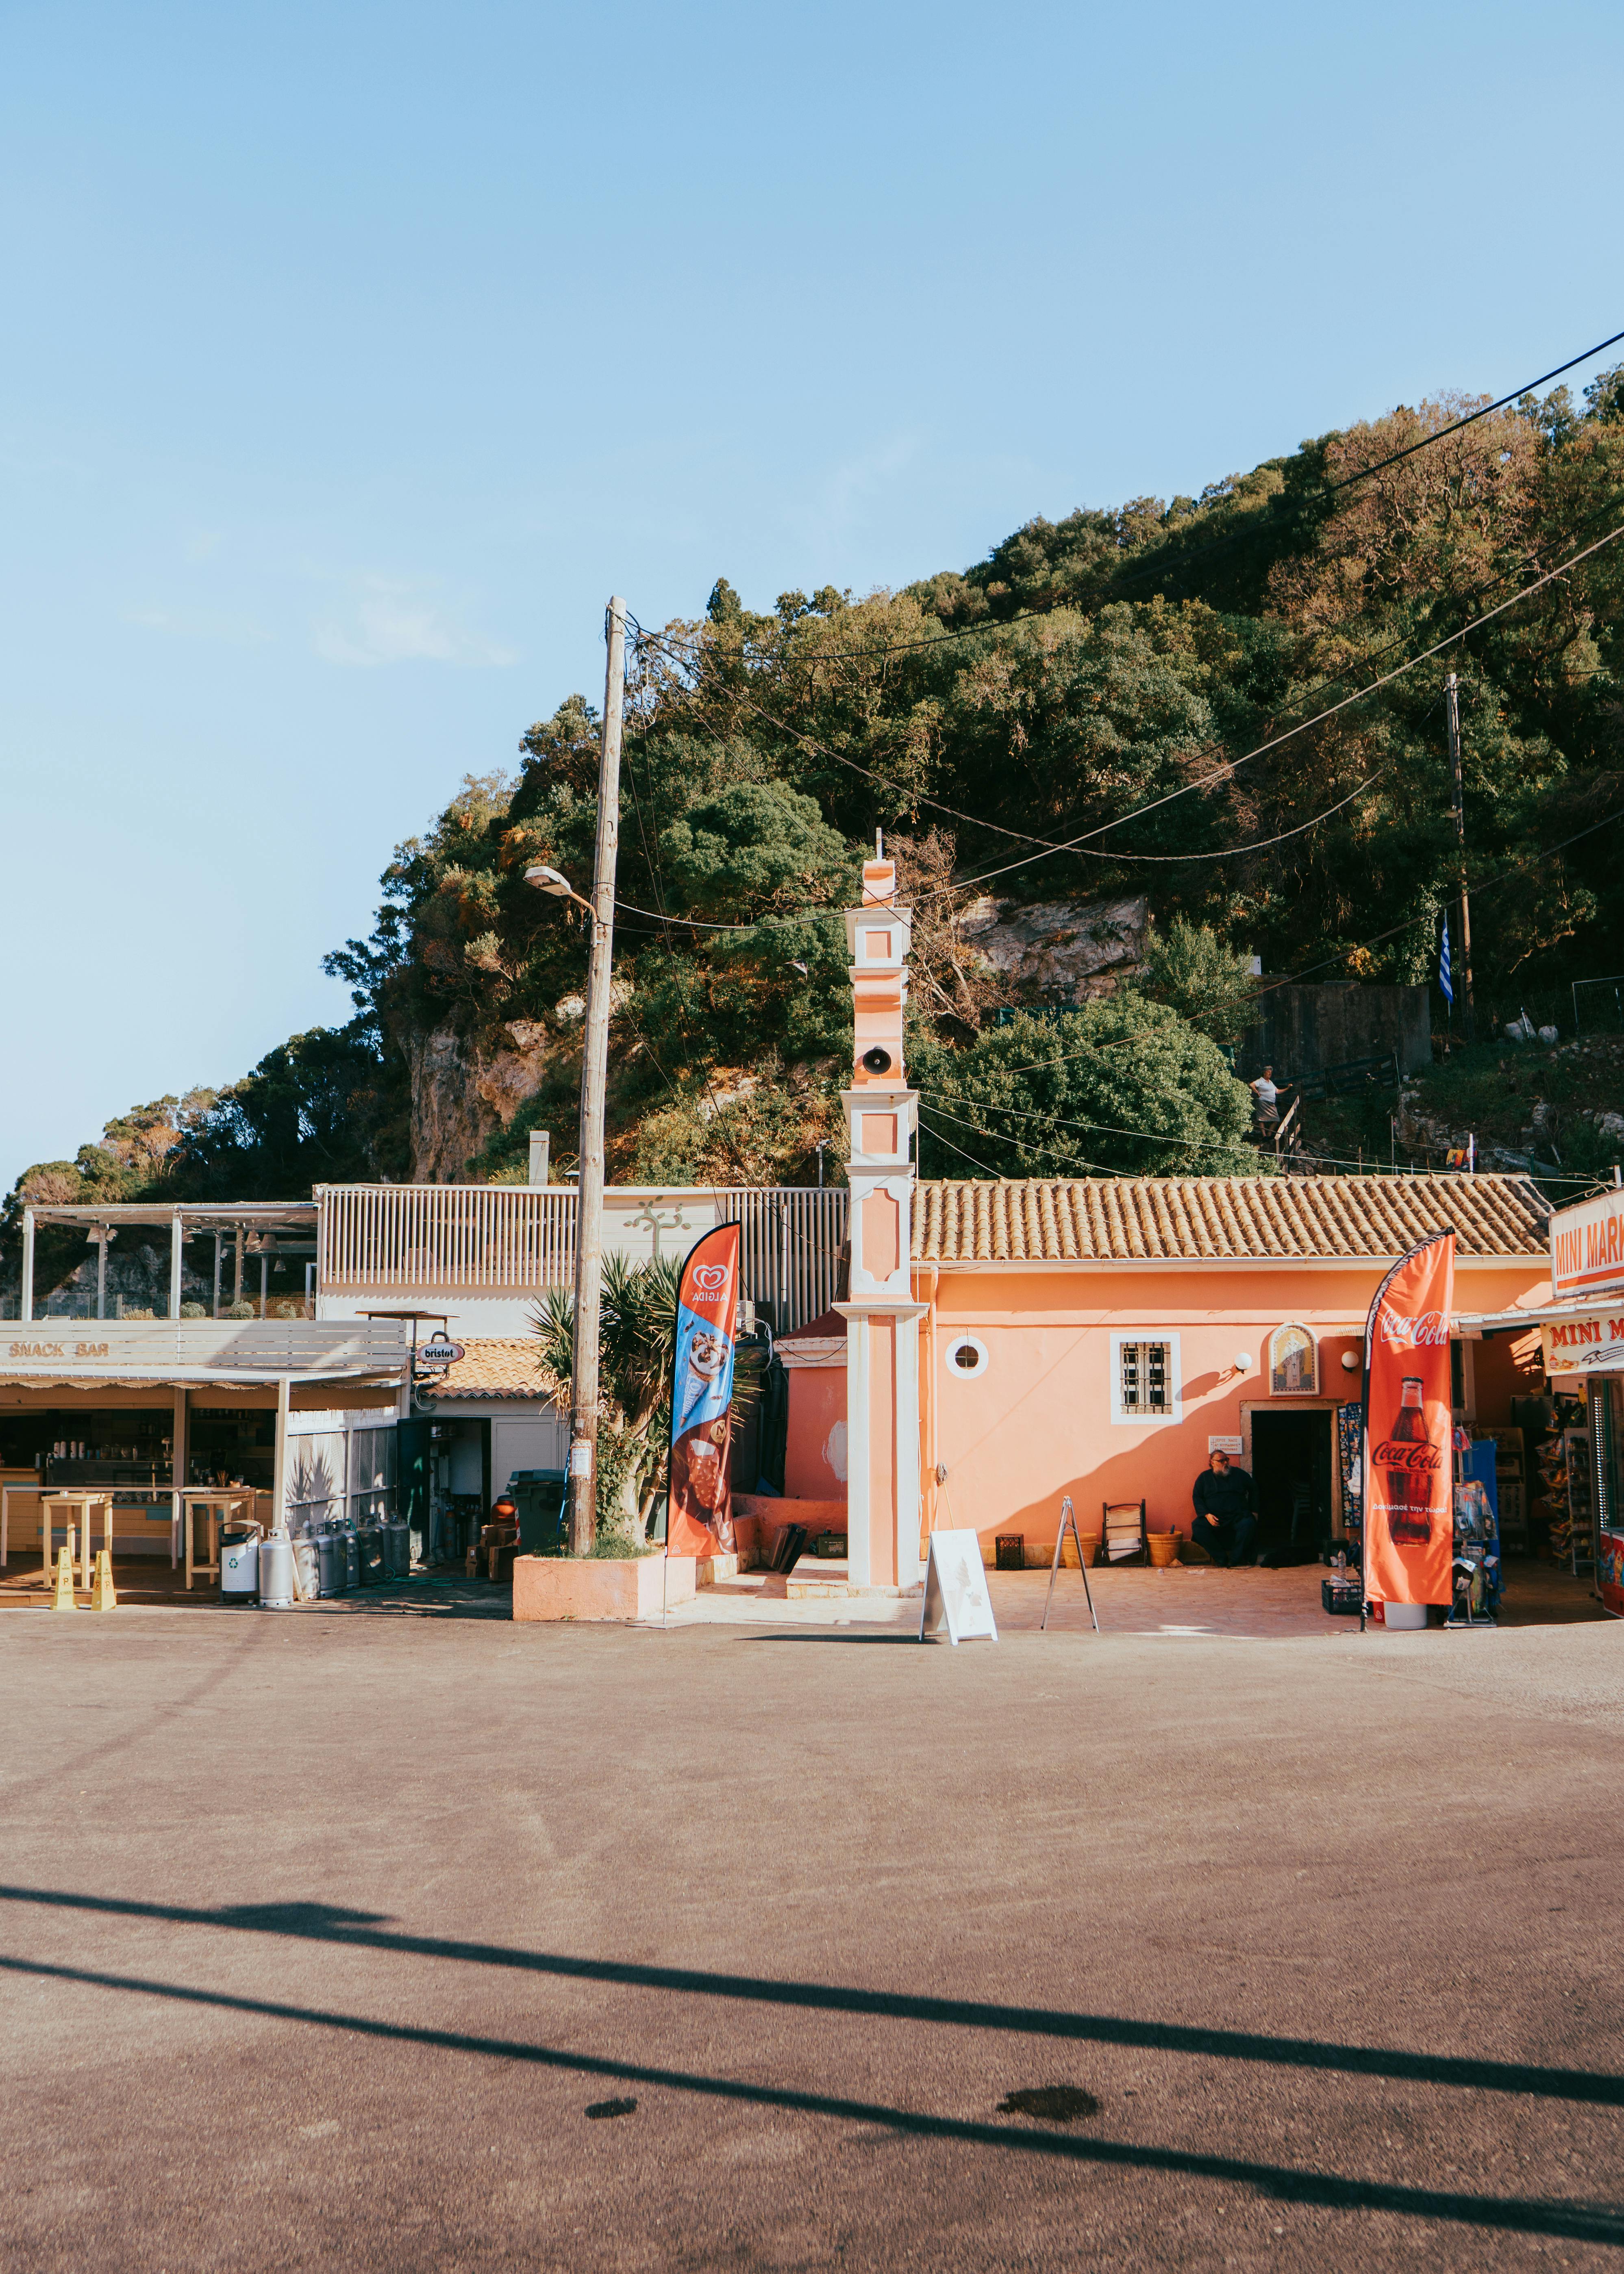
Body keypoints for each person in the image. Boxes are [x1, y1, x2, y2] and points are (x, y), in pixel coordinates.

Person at [1191, 1451, 1259, 1567]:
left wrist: (1254, 1511)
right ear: (1212, 1463)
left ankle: (1235, 1559)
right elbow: (1197, 1497)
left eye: (1227, 1459)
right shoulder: (1204, 1477)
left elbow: (1254, 1489)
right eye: (1222, 1461)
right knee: (1198, 1526)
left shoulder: (1239, 1474)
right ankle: (1221, 1558)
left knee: (1249, 1523)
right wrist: (1207, 1515)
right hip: (1216, 1518)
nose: (1226, 1463)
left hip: (1238, 1516)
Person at [1249, 1064, 1292, 1142]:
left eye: (1271, 1072)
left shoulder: (1270, 1083)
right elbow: (1251, 1085)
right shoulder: (1261, 1081)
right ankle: (1265, 1136)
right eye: (1268, 1072)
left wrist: (1288, 1088)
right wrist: (1257, 1093)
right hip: (1263, 1102)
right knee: (1261, 1119)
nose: (1270, 1074)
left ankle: (1269, 1135)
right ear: (1264, 1073)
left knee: (1276, 1119)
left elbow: (1278, 1091)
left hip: (1271, 1104)